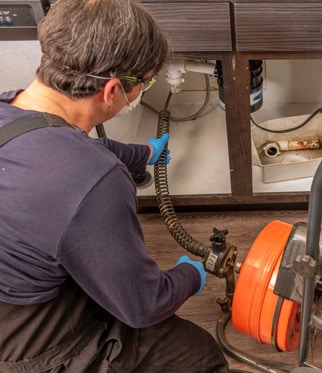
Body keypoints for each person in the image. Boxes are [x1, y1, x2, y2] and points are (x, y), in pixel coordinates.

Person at [0, 0, 229, 371]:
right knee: (198, 356)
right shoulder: (97, 183)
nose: (143, 92)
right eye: (145, 83)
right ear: (111, 90)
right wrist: (190, 275)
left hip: (12, 278)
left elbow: (57, 143)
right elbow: (142, 306)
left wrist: (142, 154)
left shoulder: (10, 107)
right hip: (24, 344)